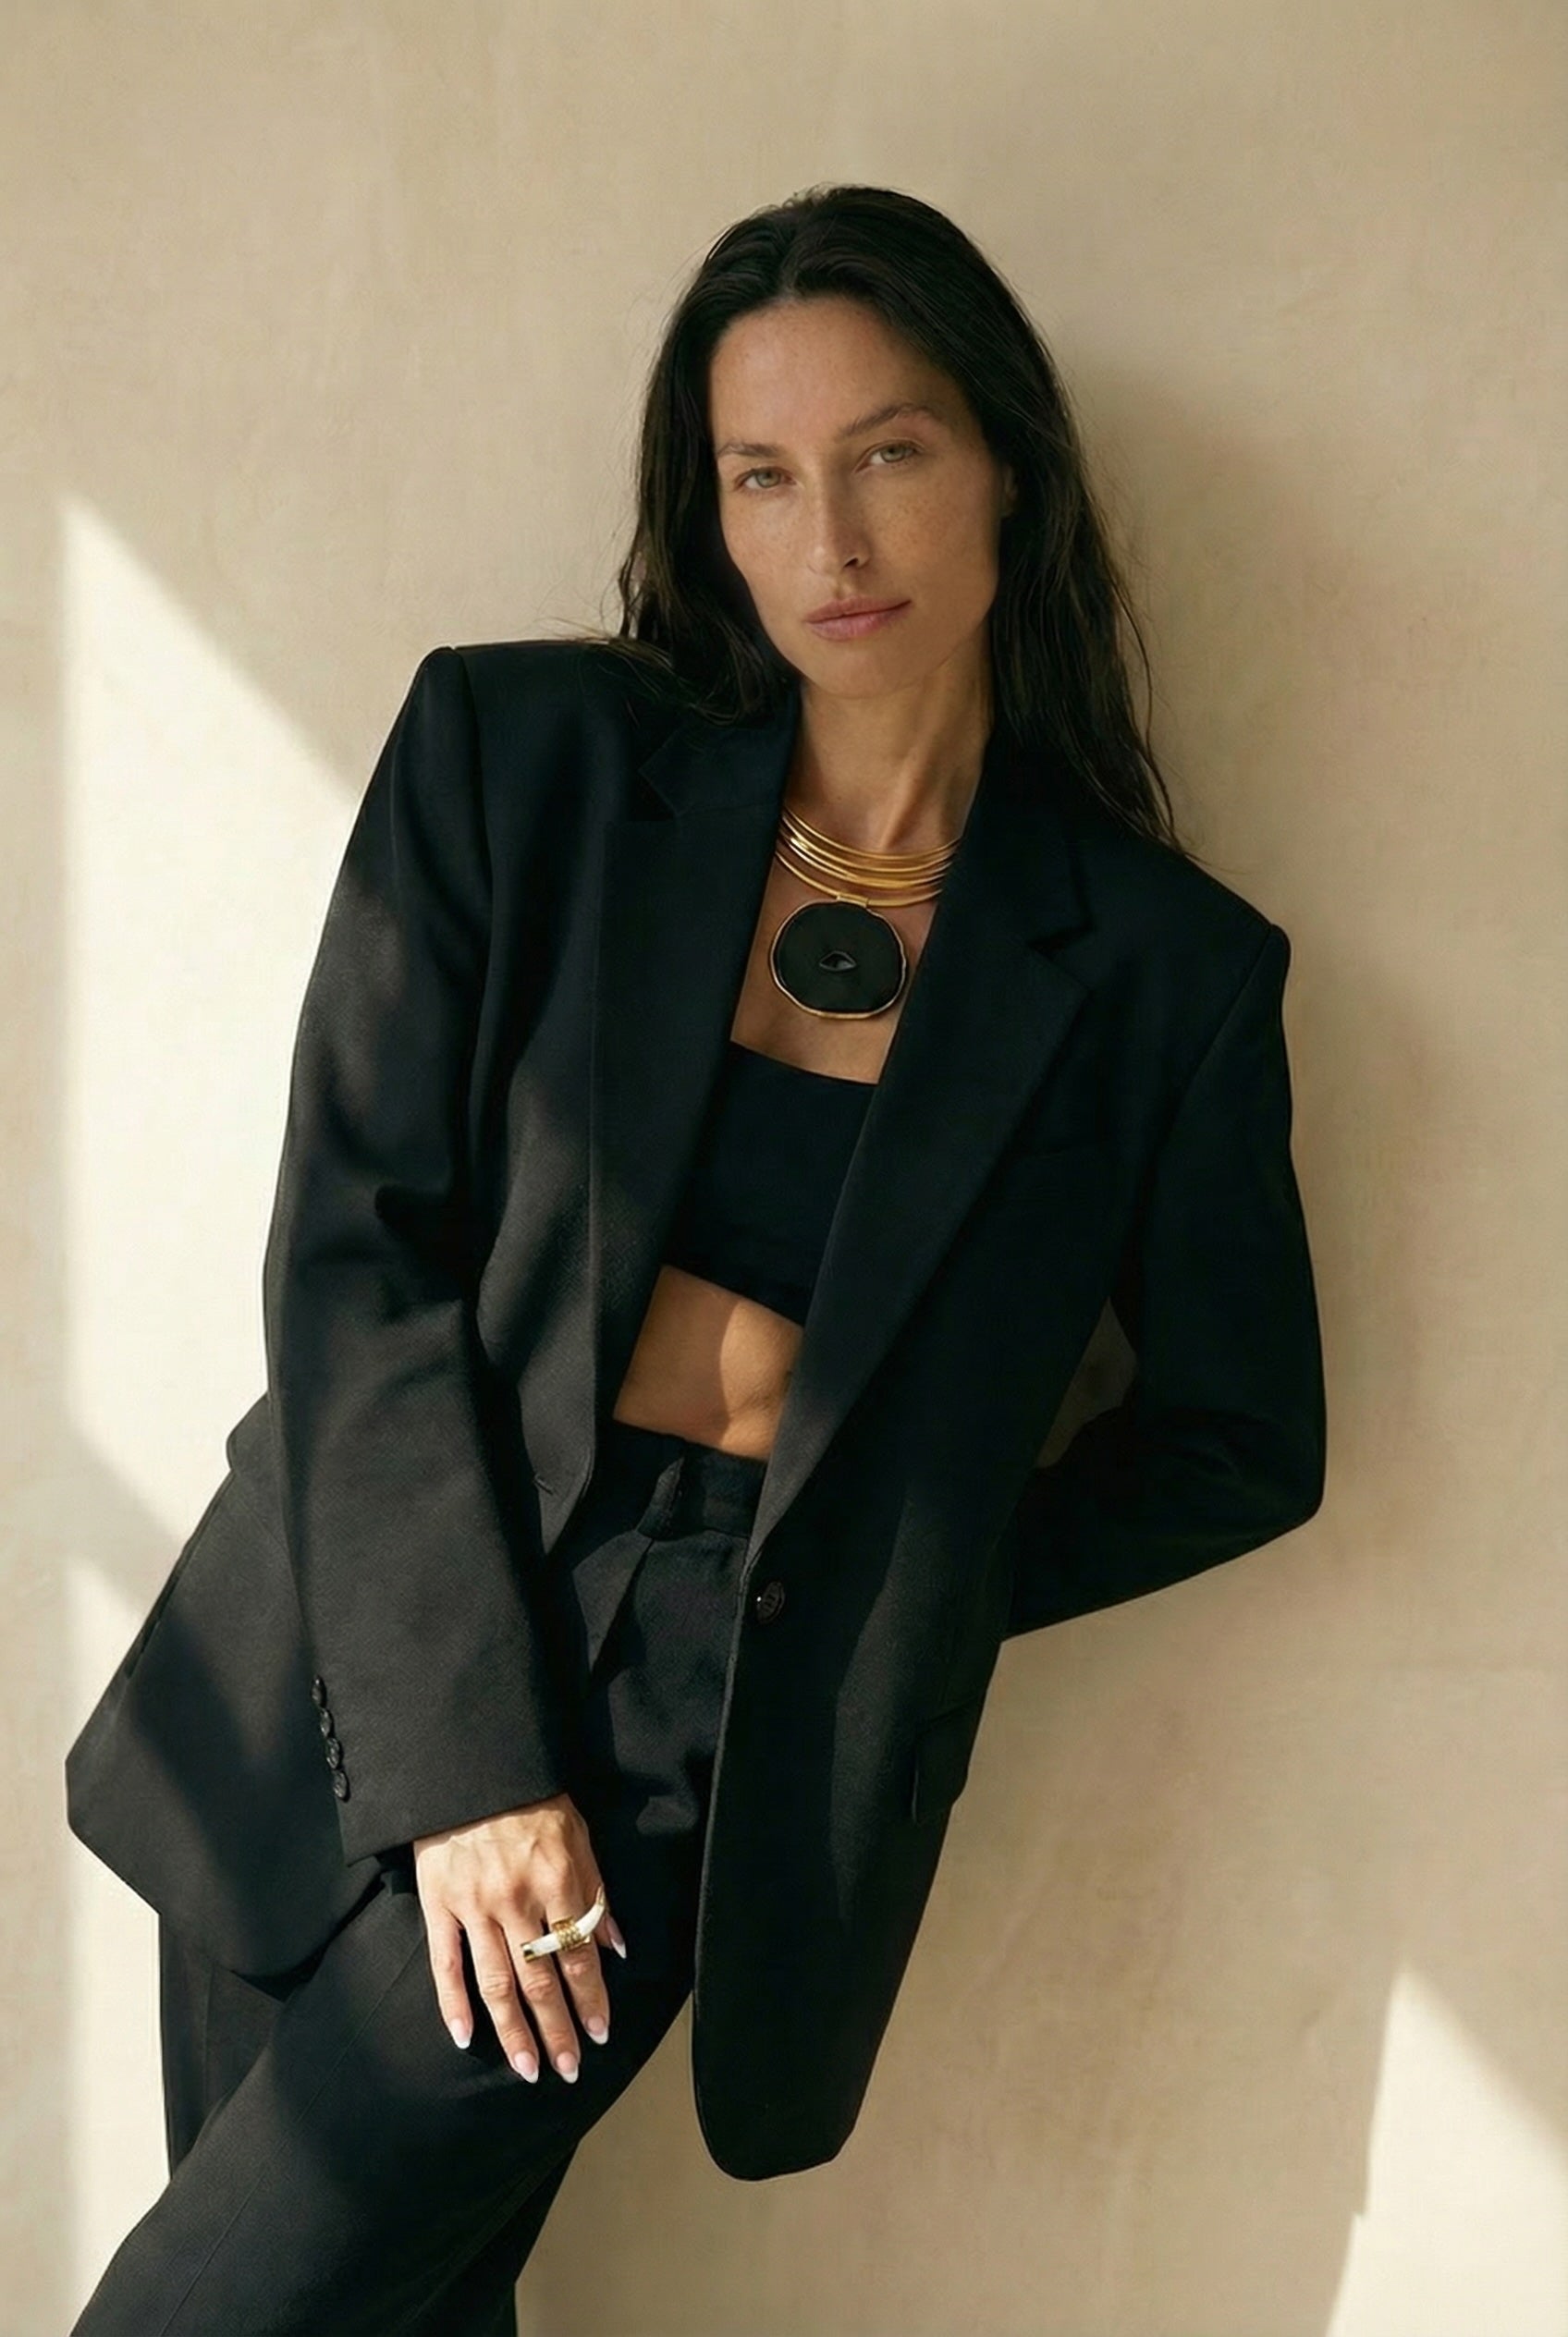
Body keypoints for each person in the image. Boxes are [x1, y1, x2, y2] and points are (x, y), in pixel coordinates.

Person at [66, 182, 1326, 2332]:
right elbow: (359, 1251)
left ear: (1004, 466)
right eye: (762, 473)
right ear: (708, 508)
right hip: (349, 1623)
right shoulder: (521, 762)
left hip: (692, 1704)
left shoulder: (1151, 971)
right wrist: (466, 1769)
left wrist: (880, 1586)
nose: (829, 537)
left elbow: (1239, 1438)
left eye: (888, 451)